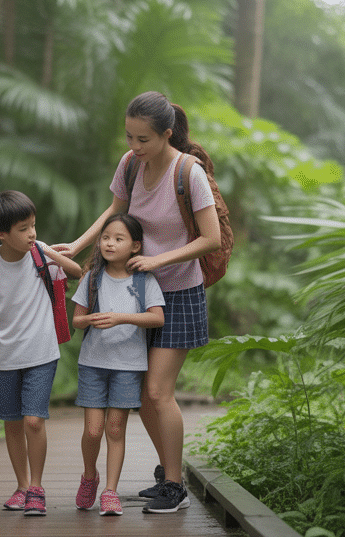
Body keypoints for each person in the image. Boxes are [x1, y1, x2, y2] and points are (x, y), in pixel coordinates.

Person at [54, 91, 221, 514]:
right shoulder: (130, 166)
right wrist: (77, 244)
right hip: (132, 289)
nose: (134, 147)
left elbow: (210, 238)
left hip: (179, 291)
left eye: (143, 139)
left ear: (167, 134)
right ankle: (168, 475)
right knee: (144, 394)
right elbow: (115, 209)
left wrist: (158, 259)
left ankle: (174, 484)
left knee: (158, 391)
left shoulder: (189, 172)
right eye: (129, 137)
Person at [0, 191, 82, 517]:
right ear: (1, 233)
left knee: (32, 421)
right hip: (4, 356)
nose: (33, 234)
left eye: (34, 226)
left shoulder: (41, 257)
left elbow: (77, 271)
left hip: (41, 353)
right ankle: (22, 486)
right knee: (11, 424)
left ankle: (37, 488)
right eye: (24, 229)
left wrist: (48, 253)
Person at [70, 213, 165, 517]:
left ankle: (110, 491)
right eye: (106, 237)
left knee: (115, 428)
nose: (110, 243)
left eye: (118, 238)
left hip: (129, 364)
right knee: (93, 431)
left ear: (135, 246)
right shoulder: (92, 278)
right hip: (93, 363)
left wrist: (121, 318)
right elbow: (76, 320)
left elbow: (157, 317)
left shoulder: (144, 280)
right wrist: (93, 320)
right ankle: (89, 476)